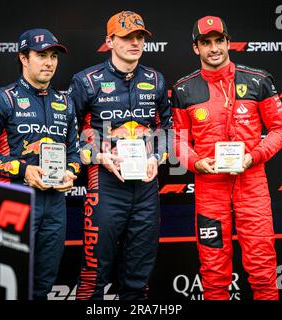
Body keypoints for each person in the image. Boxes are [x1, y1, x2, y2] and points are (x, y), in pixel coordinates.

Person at [172, 15, 282, 300]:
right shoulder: (183, 89)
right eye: (206, 43)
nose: (213, 48)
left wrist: (256, 155)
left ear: (228, 42)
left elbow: (281, 128)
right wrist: (195, 162)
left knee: (263, 268)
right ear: (195, 48)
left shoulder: (258, 80)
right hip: (209, 188)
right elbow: (176, 139)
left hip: (252, 184)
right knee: (213, 272)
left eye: (218, 41)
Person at [0, 28, 81, 299]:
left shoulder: (65, 102)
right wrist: (22, 169)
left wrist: (70, 172)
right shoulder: (2, 99)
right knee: (11, 286)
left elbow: (75, 153)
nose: (49, 62)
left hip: (55, 204)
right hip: (16, 199)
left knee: (44, 284)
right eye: (41, 55)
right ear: (23, 58)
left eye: (53, 56)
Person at [67, 11, 172, 300]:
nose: (134, 43)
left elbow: (170, 127)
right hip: (105, 184)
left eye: (139, 37)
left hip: (146, 185)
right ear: (109, 41)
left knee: (139, 276)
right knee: (93, 274)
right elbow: (64, 135)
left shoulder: (156, 79)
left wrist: (158, 157)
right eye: (126, 37)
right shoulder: (86, 81)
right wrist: (98, 157)